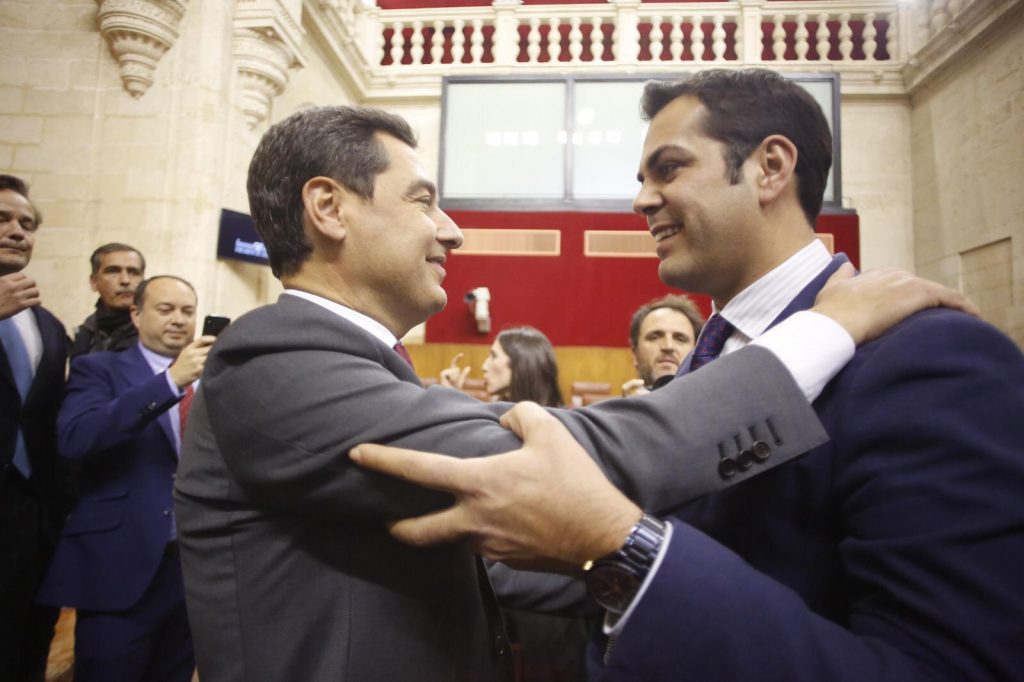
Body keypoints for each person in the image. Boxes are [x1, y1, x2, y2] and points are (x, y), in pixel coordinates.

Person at [172, 104, 970, 682]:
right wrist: (829, 327)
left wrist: (676, 576)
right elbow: (548, 463)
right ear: (328, 208)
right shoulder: (271, 360)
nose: (451, 230)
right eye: (422, 200)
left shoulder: (350, 363)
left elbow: (484, 554)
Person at [350, 69, 1024, 682]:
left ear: (770, 168)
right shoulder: (710, 360)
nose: (642, 200)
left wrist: (628, 546)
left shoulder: (930, 359)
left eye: (668, 168)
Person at [36, 276, 215, 682]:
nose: (178, 320)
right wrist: (169, 383)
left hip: (191, 569)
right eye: (165, 309)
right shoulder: (99, 369)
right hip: (119, 564)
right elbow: (76, 438)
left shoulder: (214, 379)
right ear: (136, 314)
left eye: (187, 311)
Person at [0, 174, 75, 682]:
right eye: (3, 219)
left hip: (34, 516)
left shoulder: (47, 325)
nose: (17, 231)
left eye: (27, 224)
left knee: (28, 639)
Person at [69, 243, 146, 358]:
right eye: (113, 271)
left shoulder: (159, 334)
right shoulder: (82, 337)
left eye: (133, 272)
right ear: (94, 282)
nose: (125, 280)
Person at [621, 294, 703, 397]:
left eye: (680, 339)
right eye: (655, 337)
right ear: (635, 355)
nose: (668, 346)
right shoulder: (611, 408)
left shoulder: (717, 405)